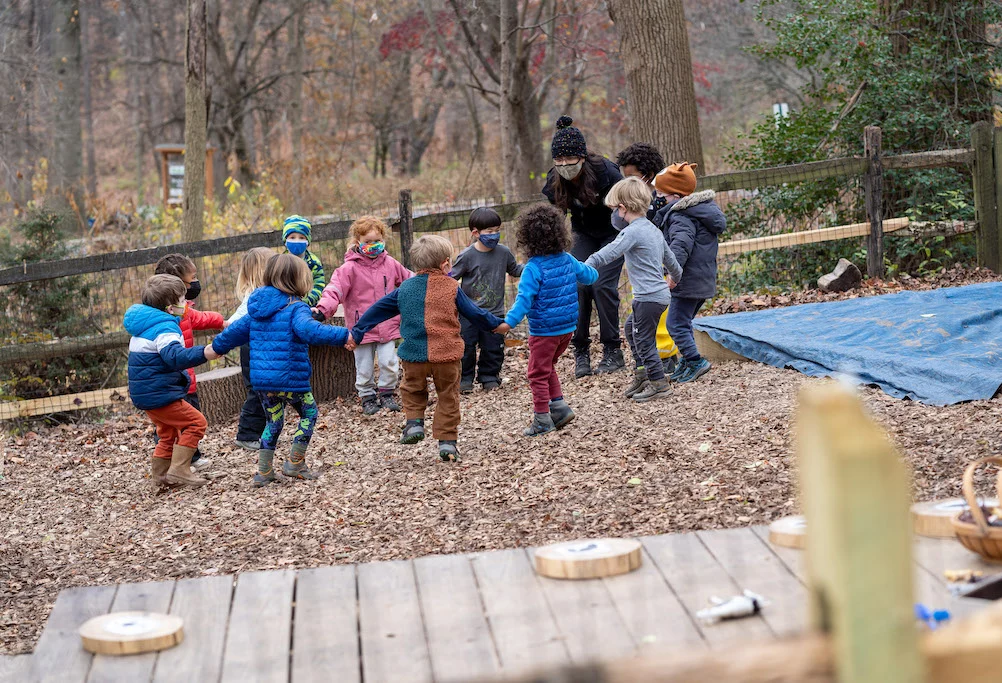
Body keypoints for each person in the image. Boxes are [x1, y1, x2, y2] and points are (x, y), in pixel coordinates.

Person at [347, 235, 503, 462]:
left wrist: (359, 331)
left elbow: (377, 310)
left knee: (412, 389)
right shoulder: (451, 287)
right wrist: (495, 324)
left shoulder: (405, 288)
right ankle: (447, 442)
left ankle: (414, 424)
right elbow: (474, 312)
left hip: (414, 355)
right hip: (446, 355)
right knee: (448, 395)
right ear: (445, 264)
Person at [210, 254, 350, 487]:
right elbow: (311, 331)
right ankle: (295, 462)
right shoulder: (295, 308)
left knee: (273, 422)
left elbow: (233, 332)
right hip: (290, 380)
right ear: (299, 280)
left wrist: (216, 348)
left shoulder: (257, 308)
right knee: (309, 414)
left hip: (263, 383)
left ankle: (264, 471)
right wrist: (344, 334)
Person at [495, 204, 599, 436]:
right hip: (567, 329)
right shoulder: (567, 259)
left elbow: (524, 300)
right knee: (547, 366)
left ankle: (542, 419)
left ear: (527, 239)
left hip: (545, 331)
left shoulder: (533, 268)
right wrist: (593, 266)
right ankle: (559, 407)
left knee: (536, 373)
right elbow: (590, 276)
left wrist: (508, 323)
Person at [541, 115, 625, 379]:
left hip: (613, 232)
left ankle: (613, 349)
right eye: (559, 161)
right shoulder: (555, 179)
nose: (565, 165)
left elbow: (627, 207)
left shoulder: (606, 173)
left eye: (570, 160)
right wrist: (552, 250)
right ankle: (581, 351)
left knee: (601, 285)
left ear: (583, 157)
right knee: (577, 284)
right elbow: (555, 218)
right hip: (583, 233)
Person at [586, 177, 682, 403]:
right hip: (659, 295)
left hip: (647, 298)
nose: (614, 215)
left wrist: (585, 265)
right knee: (632, 328)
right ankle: (642, 375)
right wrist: (674, 279)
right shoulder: (653, 230)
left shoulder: (632, 232)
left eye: (614, 209)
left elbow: (610, 252)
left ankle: (659, 383)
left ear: (623, 208)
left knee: (644, 340)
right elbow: (672, 262)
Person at [124, 274, 217, 488]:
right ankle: (180, 470)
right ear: (169, 308)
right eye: (183, 301)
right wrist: (205, 352)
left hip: (146, 393)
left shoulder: (144, 326)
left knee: (167, 433)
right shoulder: (165, 328)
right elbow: (175, 357)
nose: (186, 305)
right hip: (160, 394)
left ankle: (160, 475)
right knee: (196, 423)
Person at [313, 216, 411, 415]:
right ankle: (367, 396)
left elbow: (410, 281)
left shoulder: (391, 264)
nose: (373, 245)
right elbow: (335, 290)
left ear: (383, 239)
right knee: (364, 367)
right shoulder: (349, 268)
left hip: (387, 324)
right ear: (358, 242)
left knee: (390, 363)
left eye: (377, 241)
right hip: (360, 328)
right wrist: (323, 309)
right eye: (368, 242)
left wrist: (429, 284)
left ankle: (387, 393)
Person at [652, 162, 727, 384]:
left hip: (687, 281)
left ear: (675, 196)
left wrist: (673, 275)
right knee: (682, 323)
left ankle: (695, 361)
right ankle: (687, 360)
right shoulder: (699, 212)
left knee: (675, 325)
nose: (656, 198)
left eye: (660, 194)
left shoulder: (681, 216)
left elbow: (680, 247)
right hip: (700, 280)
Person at [154, 253, 226, 470]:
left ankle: (191, 457)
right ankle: (174, 464)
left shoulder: (182, 310)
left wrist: (223, 321)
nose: (195, 283)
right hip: (170, 381)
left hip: (187, 378)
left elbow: (199, 317)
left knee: (190, 418)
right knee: (174, 425)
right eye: (192, 278)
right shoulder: (165, 315)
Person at [451, 207, 523, 393]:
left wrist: (535, 264)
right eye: (489, 231)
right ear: (475, 233)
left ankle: (489, 377)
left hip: (495, 312)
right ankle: (465, 380)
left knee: (493, 348)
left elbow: (515, 270)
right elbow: (451, 279)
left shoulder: (504, 252)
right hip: (469, 313)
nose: (494, 235)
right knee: (466, 347)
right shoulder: (466, 256)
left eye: (497, 230)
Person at [229, 247, 274, 450]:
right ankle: (246, 434)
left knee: (267, 390)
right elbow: (233, 322)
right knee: (257, 390)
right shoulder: (253, 297)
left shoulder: (269, 294)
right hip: (252, 349)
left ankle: (262, 431)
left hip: (264, 348)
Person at [615, 142, 670, 219]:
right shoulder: (627, 200)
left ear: (650, 175)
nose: (628, 182)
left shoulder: (665, 201)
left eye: (633, 178)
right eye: (626, 178)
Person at [283, 214, 325, 307]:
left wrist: (307, 301)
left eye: (301, 238)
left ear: (308, 241)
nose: (297, 241)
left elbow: (319, 285)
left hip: (308, 307)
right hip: (284, 306)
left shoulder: (313, 262)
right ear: (285, 241)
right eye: (292, 237)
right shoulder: (280, 262)